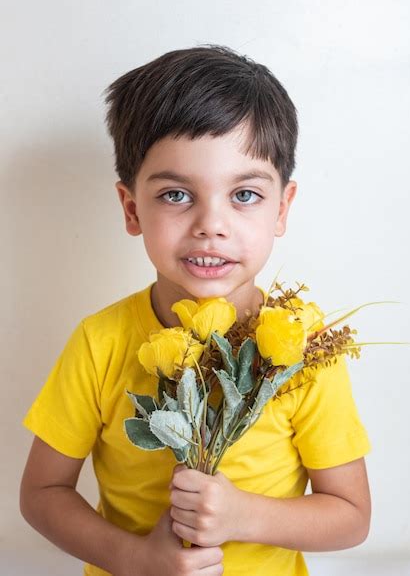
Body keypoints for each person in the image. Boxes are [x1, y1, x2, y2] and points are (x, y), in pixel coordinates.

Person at [20, 44, 372, 576]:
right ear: (132, 208)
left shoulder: (304, 347)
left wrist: (242, 516)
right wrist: (135, 559)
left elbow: (351, 516)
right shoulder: (101, 340)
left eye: (245, 195)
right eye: (177, 196)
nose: (212, 223)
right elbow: (42, 493)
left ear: (282, 208)